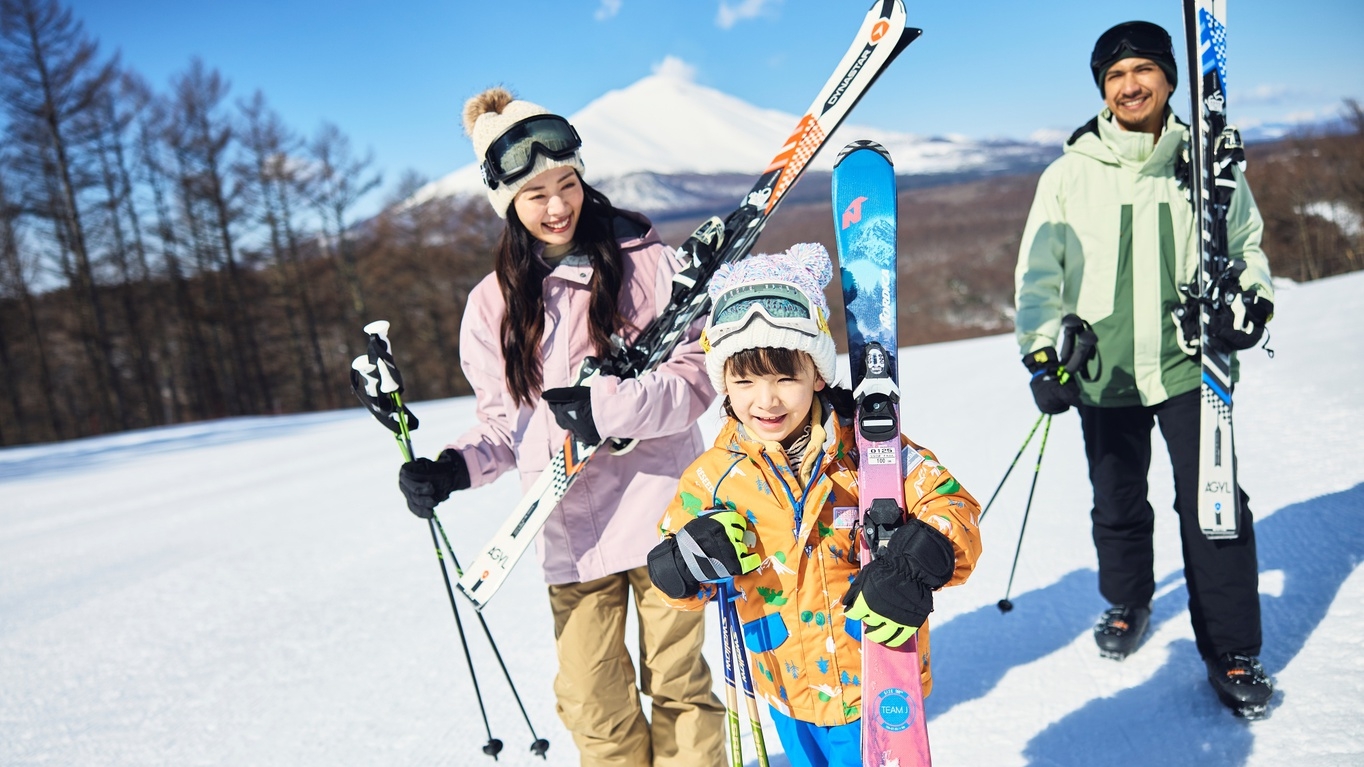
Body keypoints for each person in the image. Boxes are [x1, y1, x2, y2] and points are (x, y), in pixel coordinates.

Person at [394, 87, 726, 766]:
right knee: (592, 704)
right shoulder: (491, 306)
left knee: (679, 688)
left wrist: (610, 408)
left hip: (664, 513)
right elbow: (500, 427)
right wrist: (451, 468)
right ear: (508, 204)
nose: (557, 206)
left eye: (567, 184)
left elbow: (696, 382)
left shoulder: (647, 264)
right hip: (569, 531)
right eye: (536, 194)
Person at [1013, 21, 1276, 716]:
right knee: (1118, 502)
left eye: (1142, 70)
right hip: (1103, 370)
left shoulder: (1208, 163)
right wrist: (1040, 355)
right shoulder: (1069, 174)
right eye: (1115, 76)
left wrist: (1253, 302)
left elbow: (1245, 245)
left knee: (1216, 507)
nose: (1129, 86)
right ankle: (1128, 600)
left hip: (1192, 366)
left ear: (1168, 78)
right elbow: (1039, 274)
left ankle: (1233, 650)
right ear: (1103, 89)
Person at [645, 244, 982, 767]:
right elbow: (677, 568)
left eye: (785, 377)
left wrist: (918, 561)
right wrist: (684, 562)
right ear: (724, 384)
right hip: (784, 686)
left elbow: (952, 506)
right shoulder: (714, 476)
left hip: (874, 679)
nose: (766, 400)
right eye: (744, 381)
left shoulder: (870, 452)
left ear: (817, 374)